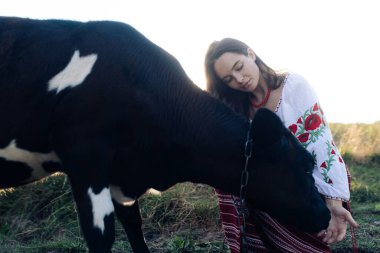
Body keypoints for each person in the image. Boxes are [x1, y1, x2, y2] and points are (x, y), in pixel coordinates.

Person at [204, 38, 359, 253]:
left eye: (238, 67)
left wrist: (334, 203)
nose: (239, 79)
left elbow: (320, 145)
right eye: (229, 79)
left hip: (312, 180)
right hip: (273, 190)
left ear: (250, 54)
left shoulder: (293, 86)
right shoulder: (237, 108)